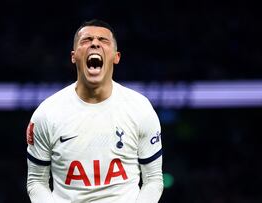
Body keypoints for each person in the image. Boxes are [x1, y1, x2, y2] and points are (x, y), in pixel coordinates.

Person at [26, 19, 163, 203]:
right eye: (86, 40)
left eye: (103, 40)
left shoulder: (140, 109)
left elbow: (153, 180)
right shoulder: (47, 114)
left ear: (116, 56)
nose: (95, 43)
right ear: (74, 56)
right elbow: (36, 181)